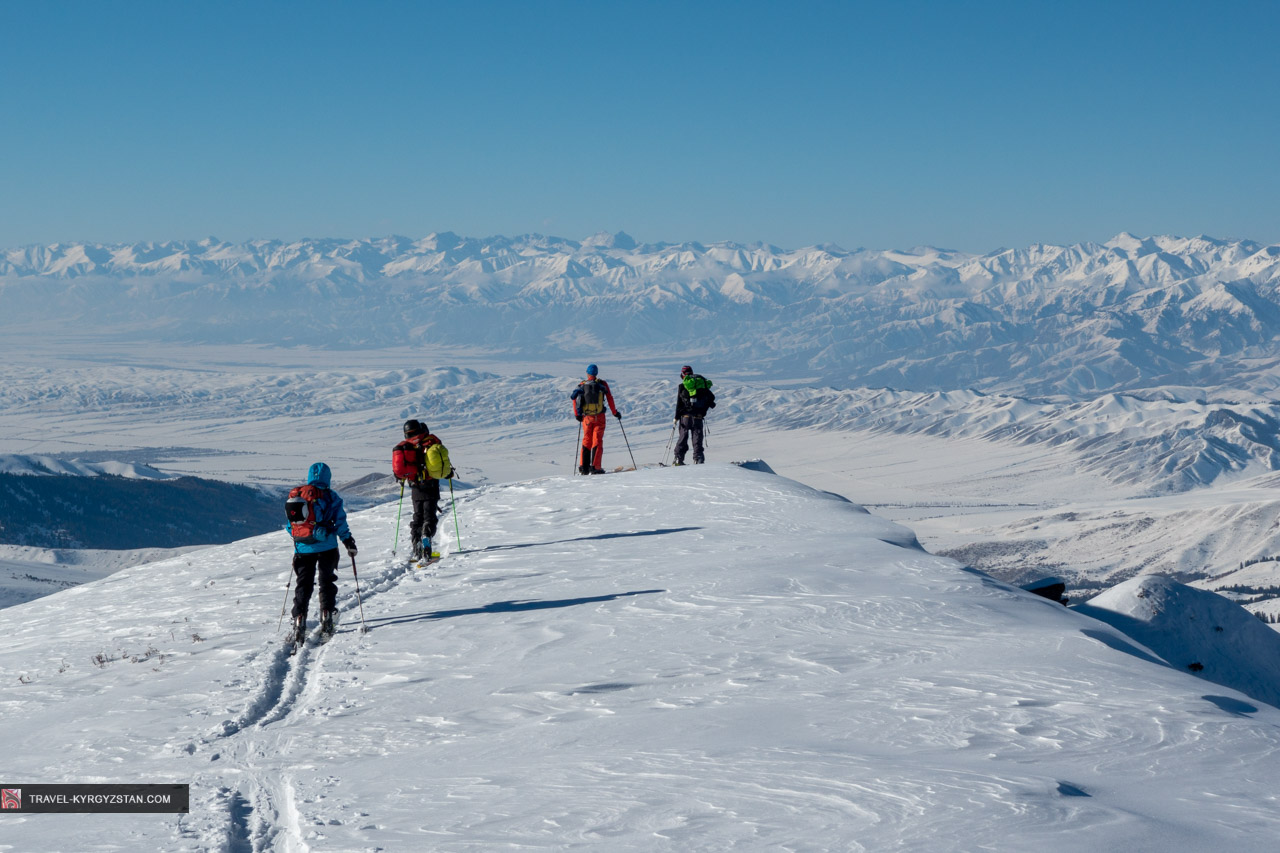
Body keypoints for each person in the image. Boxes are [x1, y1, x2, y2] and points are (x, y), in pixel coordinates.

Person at [289, 462, 356, 643]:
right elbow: (340, 523)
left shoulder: (298, 495)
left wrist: (302, 538)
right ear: (328, 478)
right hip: (327, 548)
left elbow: (290, 526)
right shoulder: (331, 496)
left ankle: (299, 618)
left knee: (303, 584)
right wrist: (348, 541)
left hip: (303, 548)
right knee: (326, 582)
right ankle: (327, 615)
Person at [393, 419, 454, 560]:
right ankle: (426, 538)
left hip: (415, 486)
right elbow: (442, 466)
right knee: (429, 516)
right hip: (431, 485)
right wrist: (449, 473)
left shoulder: (407, 447)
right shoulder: (430, 444)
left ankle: (416, 545)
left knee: (418, 516)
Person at [570, 363, 621, 474]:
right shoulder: (602, 384)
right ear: (597, 373)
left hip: (586, 418)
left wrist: (577, 415)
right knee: (597, 440)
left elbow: (574, 399)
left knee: (586, 440)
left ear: (587, 373)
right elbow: (610, 398)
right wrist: (615, 412)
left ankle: (584, 467)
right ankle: (596, 467)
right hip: (599, 417)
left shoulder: (582, 385)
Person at [673, 364, 715, 465]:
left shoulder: (683, 386)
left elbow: (679, 403)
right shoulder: (702, 385)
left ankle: (678, 459)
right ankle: (698, 459)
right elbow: (711, 400)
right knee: (697, 439)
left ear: (683, 375)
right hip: (698, 417)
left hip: (685, 418)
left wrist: (676, 417)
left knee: (683, 438)